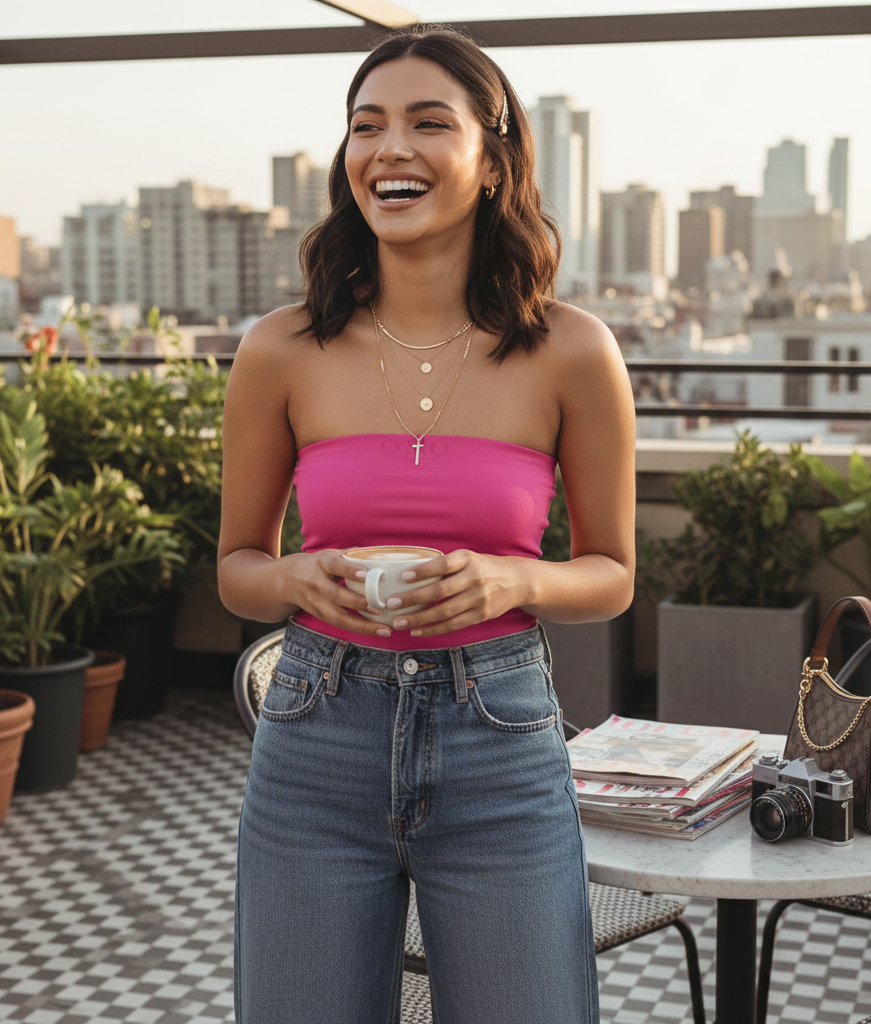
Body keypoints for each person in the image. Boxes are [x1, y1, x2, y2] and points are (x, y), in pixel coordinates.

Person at [219, 26, 635, 1024]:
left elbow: (612, 572)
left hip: (498, 741)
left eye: (425, 123)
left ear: (492, 164)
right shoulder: (279, 348)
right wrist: (292, 582)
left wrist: (513, 581)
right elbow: (237, 566)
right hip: (315, 734)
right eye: (366, 126)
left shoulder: (572, 350)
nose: (387, 149)